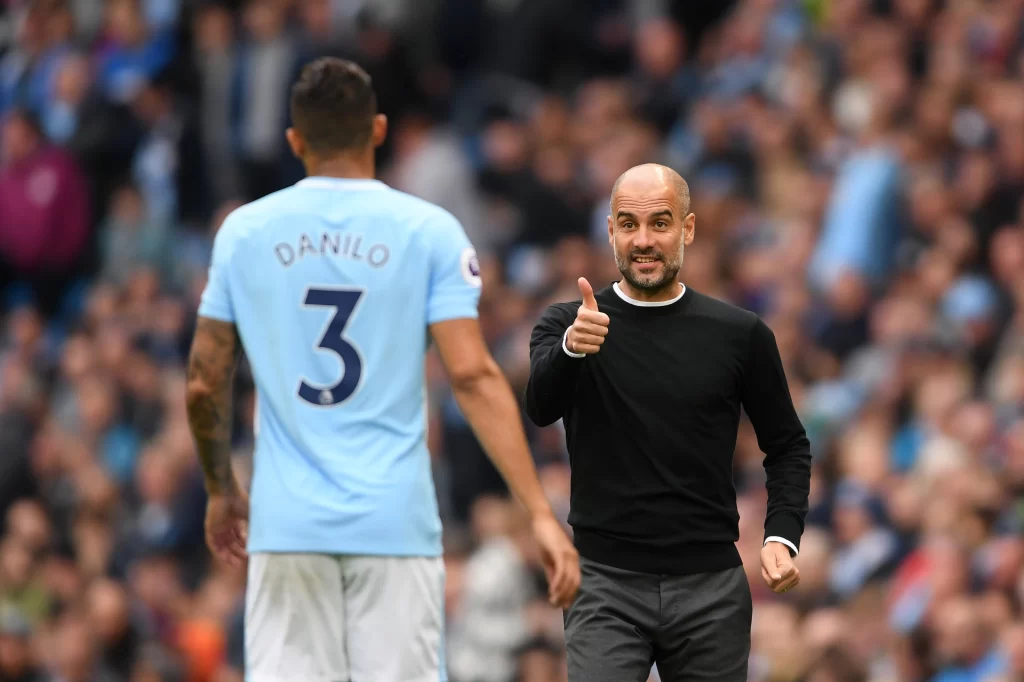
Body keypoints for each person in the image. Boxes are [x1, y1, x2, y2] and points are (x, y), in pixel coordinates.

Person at [184, 57, 580, 682]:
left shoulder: (244, 232)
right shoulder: (429, 232)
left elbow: (206, 380)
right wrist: (535, 511)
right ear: (378, 129)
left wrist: (219, 490)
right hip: (392, 520)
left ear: (294, 140)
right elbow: (473, 377)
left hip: (288, 522)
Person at [524, 164, 812, 682]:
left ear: (689, 228)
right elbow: (540, 407)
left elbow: (787, 445)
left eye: (660, 223)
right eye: (629, 225)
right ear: (609, 230)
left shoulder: (740, 334)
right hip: (603, 584)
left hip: (711, 589)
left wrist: (781, 536)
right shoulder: (568, 324)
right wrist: (572, 349)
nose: (644, 240)